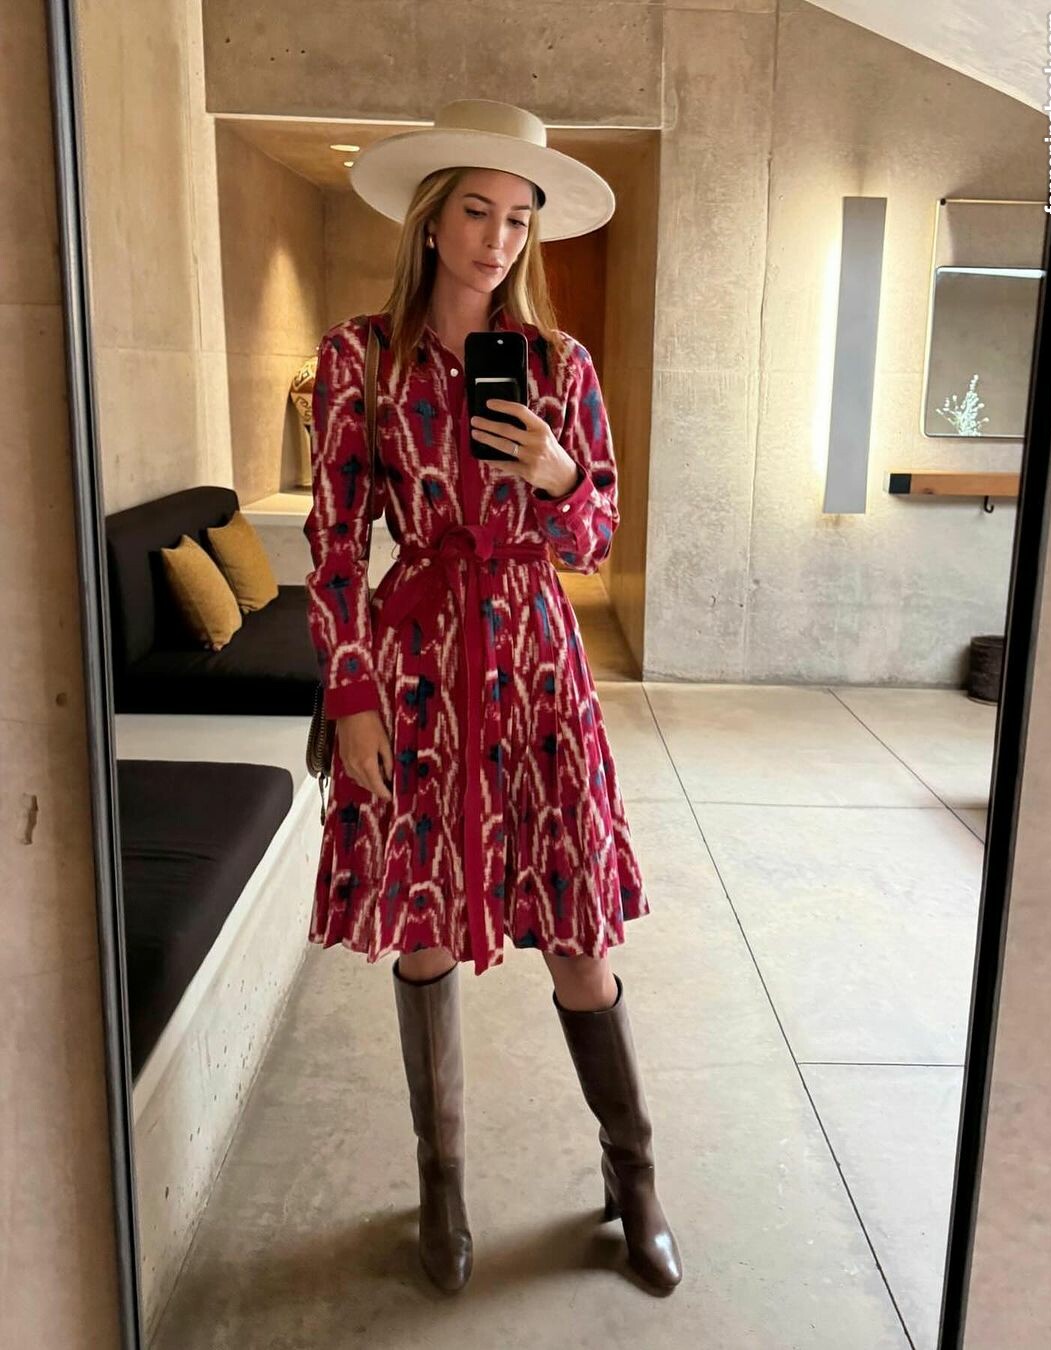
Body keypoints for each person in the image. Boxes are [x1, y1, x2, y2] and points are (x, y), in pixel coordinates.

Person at [303, 99, 682, 1295]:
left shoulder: (559, 366)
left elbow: (595, 533)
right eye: (476, 211)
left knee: (576, 934)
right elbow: (332, 539)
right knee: (424, 932)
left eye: (519, 219)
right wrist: (350, 691)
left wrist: (558, 472)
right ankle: (443, 1181)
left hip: (536, 663)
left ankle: (634, 1176)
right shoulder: (360, 358)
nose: (498, 239)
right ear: (431, 220)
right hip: (415, 666)